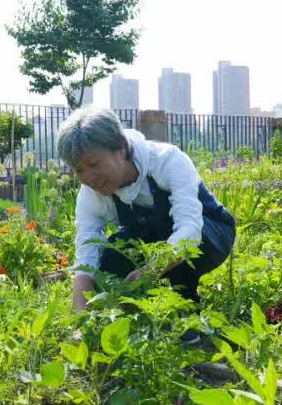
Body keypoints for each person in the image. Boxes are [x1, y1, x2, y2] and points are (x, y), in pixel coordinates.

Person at [57, 107, 236, 320]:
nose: (89, 177)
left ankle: (185, 308)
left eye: (93, 164)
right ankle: (139, 312)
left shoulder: (167, 160)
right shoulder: (90, 195)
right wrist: (80, 317)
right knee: (109, 260)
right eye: (79, 170)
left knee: (170, 232)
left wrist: (150, 271)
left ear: (121, 149)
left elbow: (190, 230)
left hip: (211, 233)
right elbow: (86, 254)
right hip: (154, 239)